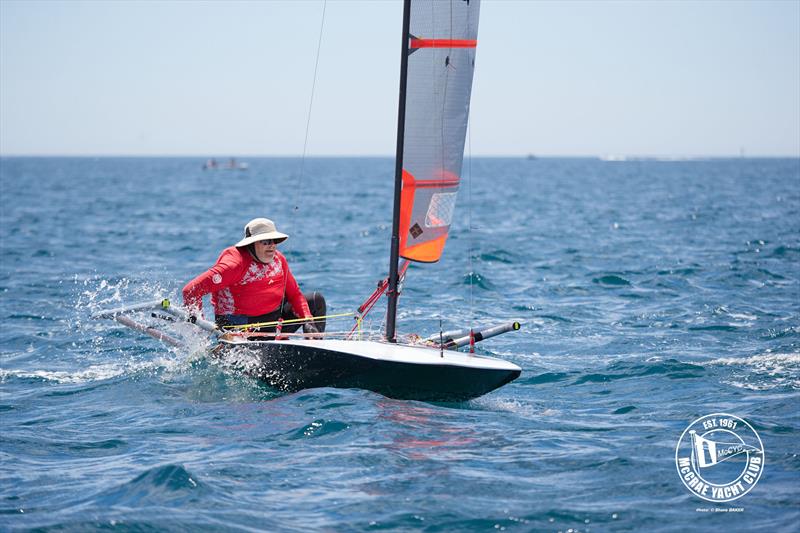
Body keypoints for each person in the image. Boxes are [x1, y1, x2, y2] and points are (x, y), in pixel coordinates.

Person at [182, 218, 325, 338]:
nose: (272, 246)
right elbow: (190, 290)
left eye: (274, 241)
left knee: (315, 300)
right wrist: (198, 330)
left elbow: (294, 295)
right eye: (266, 241)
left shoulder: (279, 260)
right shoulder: (233, 265)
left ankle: (315, 345)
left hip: (273, 320)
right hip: (240, 328)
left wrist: (308, 320)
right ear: (251, 244)